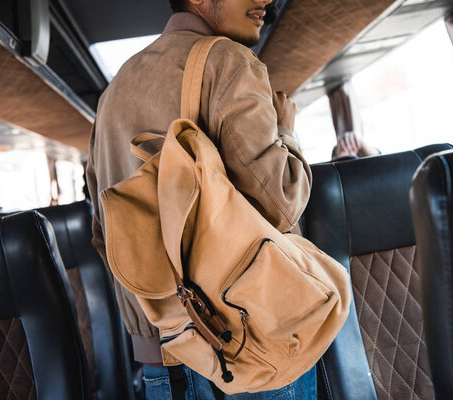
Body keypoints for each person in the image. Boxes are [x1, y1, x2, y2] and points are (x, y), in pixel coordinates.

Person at [85, 0, 314, 398]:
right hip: (247, 348)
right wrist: (286, 132)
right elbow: (279, 204)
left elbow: (104, 235)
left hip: (160, 356)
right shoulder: (229, 63)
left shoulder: (111, 95)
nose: (267, 0)